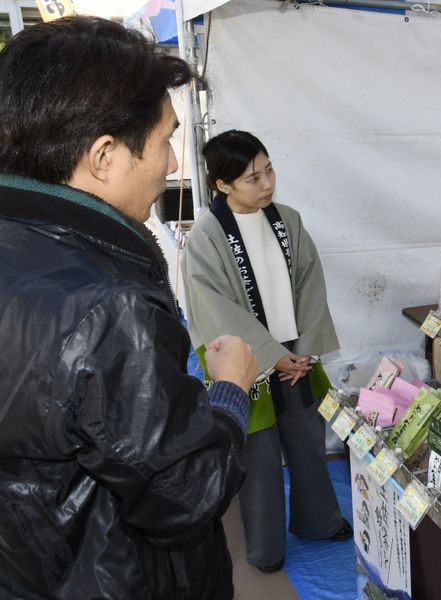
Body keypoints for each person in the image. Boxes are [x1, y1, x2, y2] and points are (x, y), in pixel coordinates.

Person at [0, 17, 258, 600]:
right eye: (165, 141)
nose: (171, 165)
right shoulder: (108, 306)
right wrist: (229, 392)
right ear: (104, 155)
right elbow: (187, 493)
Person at [181, 130, 352, 574]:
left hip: (295, 356)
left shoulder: (287, 220)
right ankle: (266, 547)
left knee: (308, 441)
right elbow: (214, 308)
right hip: (246, 361)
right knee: (258, 456)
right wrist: (269, 354)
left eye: (269, 170)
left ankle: (319, 522)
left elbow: (311, 285)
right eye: (253, 178)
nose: (267, 183)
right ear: (222, 184)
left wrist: (306, 350)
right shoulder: (206, 237)